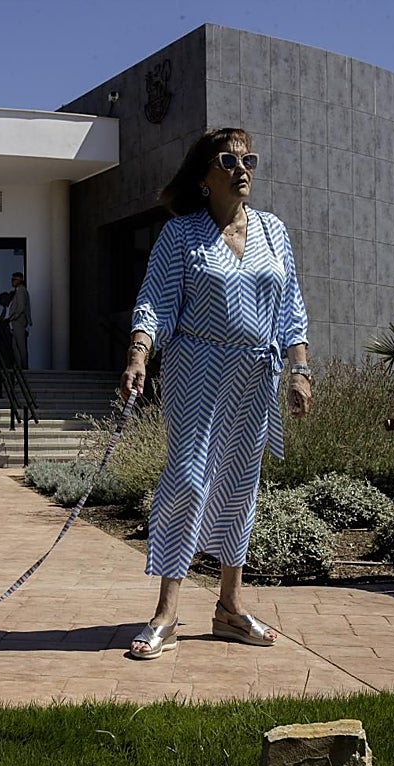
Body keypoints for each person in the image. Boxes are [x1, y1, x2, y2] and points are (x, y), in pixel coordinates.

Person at [119, 127, 312, 661]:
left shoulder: (273, 231)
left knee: (239, 485)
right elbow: (155, 300)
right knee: (186, 479)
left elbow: (292, 306)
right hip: (197, 367)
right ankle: (166, 613)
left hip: (255, 374)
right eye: (228, 160)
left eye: (249, 158)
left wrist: (299, 371)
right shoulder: (181, 234)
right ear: (205, 176)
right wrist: (138, 353)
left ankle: (229, 607)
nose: (242, 168)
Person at [6, 271, 31, 368]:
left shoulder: (21, 290)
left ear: (20, 280)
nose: (12, 282)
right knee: (15, 345)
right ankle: (19, 365)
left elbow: (21, 306)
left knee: (21, 345)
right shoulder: (18, 291)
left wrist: (13, 317)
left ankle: (24, 366)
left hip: (19, 322)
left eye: (14, 279)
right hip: (16, 322)